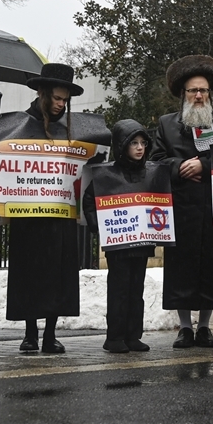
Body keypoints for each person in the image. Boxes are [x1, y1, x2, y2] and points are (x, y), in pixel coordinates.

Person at [5, 63, 87, 354]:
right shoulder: (18, 125)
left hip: (61, 214)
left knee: (58, 274)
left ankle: (50, 334)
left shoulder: (72, 130)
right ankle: (29, 334)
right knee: (29, 273)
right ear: (42, 93)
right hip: (27, 216)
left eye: (65, 100)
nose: (61, 104)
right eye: (56, 98)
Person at [150, 55, 213, 349]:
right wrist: (180, 167)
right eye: (193, 90)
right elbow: (155, 161)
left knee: (211, 268)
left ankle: (206, 327)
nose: (198, 95)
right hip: (181, 209)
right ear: (182, 94)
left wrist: (205, 166)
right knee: (181, 270)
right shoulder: (167, 125)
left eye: (204, 90)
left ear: (210, 94)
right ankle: (185, 327)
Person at [83, 119, 157, 353]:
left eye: (143, 143)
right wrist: (99, 227)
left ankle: (133, 336)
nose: (139, 148)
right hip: (118, 245)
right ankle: (114, 336)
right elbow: (89, 201)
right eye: (133, 143)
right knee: (119, 290)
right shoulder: (107, 174)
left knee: (137, 290)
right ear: (122, 145)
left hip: (142, 242)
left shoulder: (151, 172)